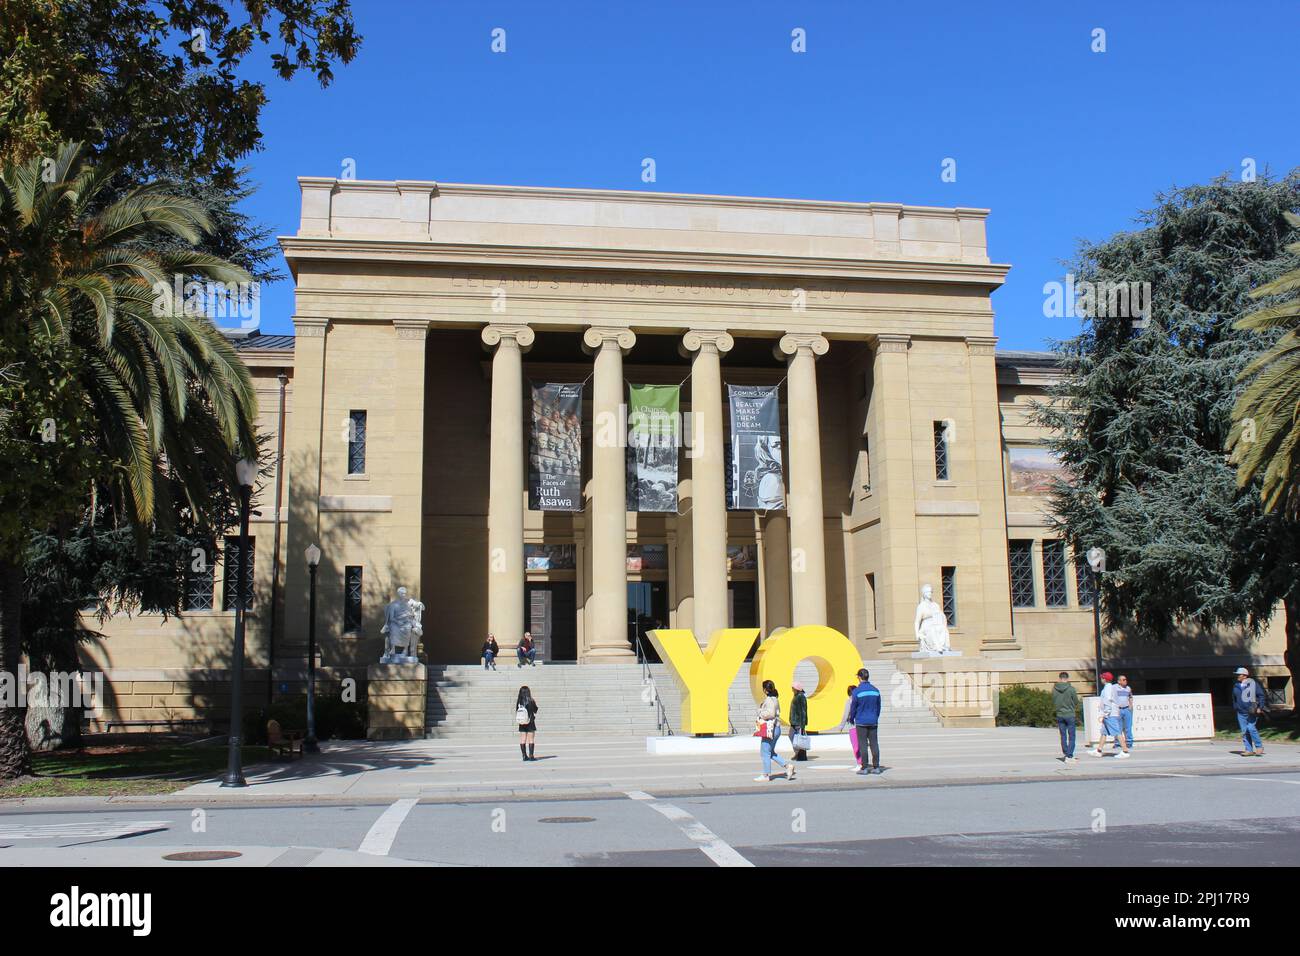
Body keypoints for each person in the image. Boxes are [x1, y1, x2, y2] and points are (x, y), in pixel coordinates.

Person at [754, 679, 793, 781]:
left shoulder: (770, 700)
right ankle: (788, 766)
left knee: (765, 752)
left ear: (765, 690)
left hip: (770, 729)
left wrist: (760, 712)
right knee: (770, 752)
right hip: (776, 728)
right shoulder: (775, 698)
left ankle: (766, 775)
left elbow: (770, 713)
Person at [849, 668, 882, 775]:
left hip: (861, 721)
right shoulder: (875, 691)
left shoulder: (857, 692)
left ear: (859, 677)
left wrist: (852, 718)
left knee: (863, 744)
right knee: (874, 744)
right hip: (873, 721)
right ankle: (876, 767)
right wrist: (875, 717)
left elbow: (853, 707)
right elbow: (878, 707)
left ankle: (864, 768)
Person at [1090, 672, 1130, 758]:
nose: (1101, 679)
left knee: (1117, 732)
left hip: (1110, 714)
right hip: (1110, 713)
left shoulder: (1108, 688)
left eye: (1102, 678)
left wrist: (1106, 713)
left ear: (1104, 679)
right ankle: (1098, 750)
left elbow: (1108, 700)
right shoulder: (1109, 687)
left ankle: (1125, 751)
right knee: (1104, 732)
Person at [1232, 666, 1269, 757]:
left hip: (1251, 711)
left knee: (1251, 728)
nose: (1237, 676)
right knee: (1244, 731)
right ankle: (1249, 750)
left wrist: (1260, 707)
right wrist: (1236, 707)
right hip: (1241, 712)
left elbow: (1261, 695)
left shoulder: (1253, 684)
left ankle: (1259, 746)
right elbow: (1234, 698)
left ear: (1245, 675)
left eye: (1239, 674)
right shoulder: (1236, 685)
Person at [1052, 671, 1080, 762]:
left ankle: (1065, 752)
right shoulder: (1071, 689)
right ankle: (1069, 754)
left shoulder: (1054, 689)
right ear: (1067, 678)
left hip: (1059, 714)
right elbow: (1076, 701)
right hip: (1070, 714)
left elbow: (1054, 700)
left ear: (1059, 678)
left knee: (1063, 735)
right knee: (1072, 736)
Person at [838, 684, 862, 771]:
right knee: (861, 745)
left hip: (853, 726)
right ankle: (863, 763)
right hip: (862, 725)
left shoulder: (849, 701)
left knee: (856, 746)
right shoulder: (860, 700)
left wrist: (841, 726)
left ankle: (859, 764)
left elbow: (846, 714)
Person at [516, 685, 539, 761]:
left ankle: (524, 756)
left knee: (523, 739)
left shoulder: (519, 702)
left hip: (522, 722)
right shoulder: (531, 700)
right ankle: (531, 756)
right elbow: (535, 710)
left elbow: (517, 711)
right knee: (531, 739)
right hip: (530, 722)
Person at [788, 681, 809, 762]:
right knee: (793, 736)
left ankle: (800, 755)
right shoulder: (797, 695)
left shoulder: (801, 697)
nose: (792, 689)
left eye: (793, 688)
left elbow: (803, 711)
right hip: (794, 722)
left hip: (798, 722)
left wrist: (802, 725)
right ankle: (798, 753)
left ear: (796, 688)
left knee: (799, 738)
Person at [1115, 674, 1135, 751]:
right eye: (1123, 680)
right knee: (1118, 727)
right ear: (1119, 681)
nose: (1125, 681)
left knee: (1128, 727)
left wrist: (1130, 705)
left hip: (1126, 710)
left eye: (1125, 679)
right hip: (1118, 710)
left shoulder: (1128, 688)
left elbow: (1130, 696)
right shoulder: (1115, 688)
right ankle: (1118, 743)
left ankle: (1129, 743)